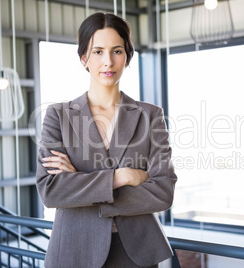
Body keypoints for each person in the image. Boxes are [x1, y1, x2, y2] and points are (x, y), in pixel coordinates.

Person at [35, 12, 177, 268]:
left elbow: (163, 193)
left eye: (117, 51)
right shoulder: (58, 115)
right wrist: (121, 177)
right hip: (74, 250)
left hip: (135, 252)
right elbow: (51, 190)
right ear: (84, 58)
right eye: (98, 51)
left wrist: (79, 184)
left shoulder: (150, 116)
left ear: (128, 57)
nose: (108, 62)